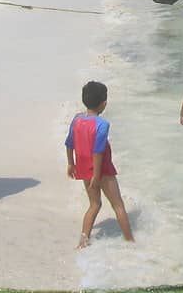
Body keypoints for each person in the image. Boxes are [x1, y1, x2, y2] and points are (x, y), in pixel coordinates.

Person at [65, 81, 134, 248]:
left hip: (83, 167)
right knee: (118, 205)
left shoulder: (77, 120)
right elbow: (98, 151)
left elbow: (69, 143)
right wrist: (97, 175)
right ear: (104, 104)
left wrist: (70, 164)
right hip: (101, 170)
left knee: (94, 204)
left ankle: (83, 241)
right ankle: (130, 241)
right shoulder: (102, 124)